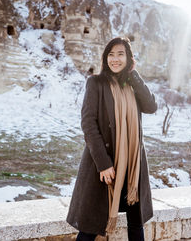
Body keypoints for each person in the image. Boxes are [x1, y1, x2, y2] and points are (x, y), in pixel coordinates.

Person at [66, 37, 157, 241]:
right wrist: (103, 164)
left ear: (129, 59)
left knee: (135, 224)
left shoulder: (132, 85)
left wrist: (134, 75)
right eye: (111, 54)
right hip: (106, 167)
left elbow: (151, 106)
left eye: (120, 54)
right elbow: (89, 124)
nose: (115, 59)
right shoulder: (96, 83)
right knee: (90, 227)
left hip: (132, 167)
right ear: (105, 58)